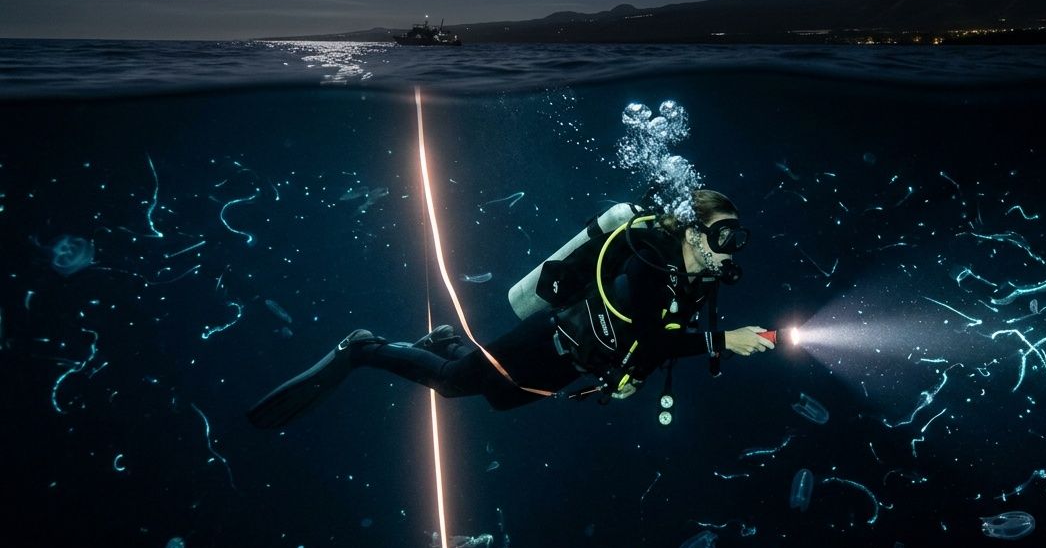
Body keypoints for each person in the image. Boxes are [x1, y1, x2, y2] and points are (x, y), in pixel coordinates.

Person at [248, 189, 773, 428]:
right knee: (454, 384)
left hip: (573, 364)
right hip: (548, 340)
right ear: (694, 231)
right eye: (724, 233)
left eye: (737, 236)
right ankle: (364, 347)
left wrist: (631, 373)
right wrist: (723, 341)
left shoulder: (697, 281)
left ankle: (444, 340)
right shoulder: (650, 260)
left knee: (497, 401)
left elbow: (650, 344)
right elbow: (654, 336)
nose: (732, 245)